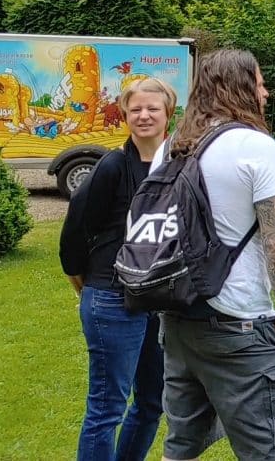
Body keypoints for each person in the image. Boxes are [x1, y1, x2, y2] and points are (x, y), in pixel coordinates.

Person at [151, 49, 275, 461]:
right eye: (259, 82)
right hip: (238, 324)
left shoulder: (173, 148)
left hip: (180, 321)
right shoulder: (255, 146)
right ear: (238, 88)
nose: (266, 93)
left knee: (180, 445)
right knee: (272, 448)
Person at [60, 76, 176, 461]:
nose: (144, 116)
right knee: (107, 408)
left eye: (152, 109)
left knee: (152, 402)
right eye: (135, 109)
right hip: (112, 297)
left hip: (160, 299)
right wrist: (84, 280)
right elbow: (77, 228)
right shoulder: (111, 166)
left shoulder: (180, 165)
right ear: (124, 115)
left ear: (168, 113)